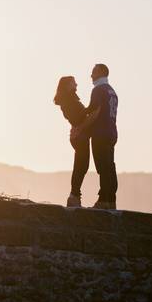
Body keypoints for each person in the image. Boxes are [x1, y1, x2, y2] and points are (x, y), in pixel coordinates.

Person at [54, 76, 100, 207]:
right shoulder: (68, 101)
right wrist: (94, 108)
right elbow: (79, 116)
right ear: (68, 85)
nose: (76, 84)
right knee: (81, 166)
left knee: (81, 166)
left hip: (79, 135)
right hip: (79, 137)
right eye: (74, 82)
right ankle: (74, 196)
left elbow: (81, 115)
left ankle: (75, 196)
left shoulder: (71, 99)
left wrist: (91, 109)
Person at [86, 63, 119, 209]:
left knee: (103, 168)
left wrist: (81, 128)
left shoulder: (98, 90)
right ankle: (111, 200)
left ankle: (103, 200)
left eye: (93, 72)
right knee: (110, 166)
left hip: (100, 133)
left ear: (100, 72)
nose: (91, 75)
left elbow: (94, 112)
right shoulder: (112, 91)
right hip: (111, 133)